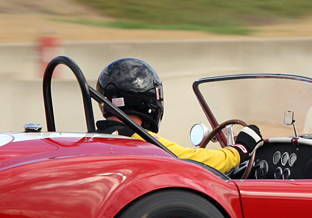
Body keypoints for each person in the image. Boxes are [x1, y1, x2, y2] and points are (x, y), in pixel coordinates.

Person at [95, 57, 262, 175]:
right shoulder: (136, 140)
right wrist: (240, 150)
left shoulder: (100, 138)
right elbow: (192, 161)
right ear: (146, 100)